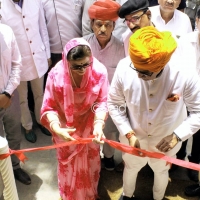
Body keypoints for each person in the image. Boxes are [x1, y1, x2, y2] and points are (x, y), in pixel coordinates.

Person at [108, 26, 200, 200]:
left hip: (166, 142)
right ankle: (127, 195)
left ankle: (158, 198)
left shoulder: (185, 73)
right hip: (133, 139)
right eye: (136, 68)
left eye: (145, 73)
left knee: (162, 171)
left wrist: (177, 136)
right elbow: (114, 104)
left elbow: (198, 112)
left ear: (162, 65)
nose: (139, 76)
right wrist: (128, 133)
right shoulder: (124, 67)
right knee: (130, 168)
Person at [40, 38, 109, 200]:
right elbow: (49, 106)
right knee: (68, 166)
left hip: (90, 127)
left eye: (86, 64)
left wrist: (98, 125)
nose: (83, 70)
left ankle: (89, 194)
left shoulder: (99, 72)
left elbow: (102, 101)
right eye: (76, 66)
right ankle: (69, 195)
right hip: (65, 128)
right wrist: (56, 128)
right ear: (66, 61)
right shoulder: (55, 76)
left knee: (90, 164)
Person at [2, 0, 51, 143]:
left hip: (38, 56)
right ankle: (27, 126)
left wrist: (47, 54)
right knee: (22, 98)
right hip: (16, 61)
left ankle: (41, 121)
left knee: (39, 94)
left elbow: (43, 28)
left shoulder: (35, 1)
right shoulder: (2, 5)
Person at [84, 0, 125, 171]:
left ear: (114, 26)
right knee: (88, 134)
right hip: (86, 100)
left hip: (111, 101)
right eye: (99, 24)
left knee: (110, 133)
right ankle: (91, 160)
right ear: (92, 24)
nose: (103, 29)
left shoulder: (122, 48)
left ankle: (108, 158)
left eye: (108, 25)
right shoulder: (82, 45)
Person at [0, 24, 31, 185]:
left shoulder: (6, 32)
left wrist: (6, 93)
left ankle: (15, 167)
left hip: (10, 95)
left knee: (14, 135)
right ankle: (2, 174)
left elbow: (16, 64)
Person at [172, 7, 200, 182]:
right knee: (181, 125)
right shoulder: (184, 42)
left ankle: (194, 163)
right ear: (197, 20)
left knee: (199, 135)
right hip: (184, 95)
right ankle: (177, 159)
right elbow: (176, 67)